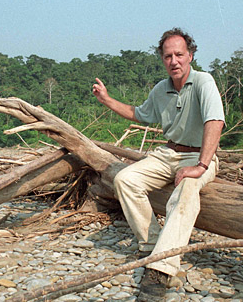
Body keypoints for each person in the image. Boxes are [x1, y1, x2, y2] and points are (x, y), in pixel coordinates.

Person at [92, 27, 225, 301]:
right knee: (125, 180)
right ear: (162, 60)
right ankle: (152, 243)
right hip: (168, 154)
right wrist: (106, 100)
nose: (173, 61)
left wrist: (201, 165)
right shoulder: (160, 90)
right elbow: (138, 114)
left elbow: (215, 121)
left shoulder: (203, 82)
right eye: (168, 56)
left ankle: (161, 269)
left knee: (187, 191)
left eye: (179, 54)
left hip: (198, 155)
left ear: (190, 55)